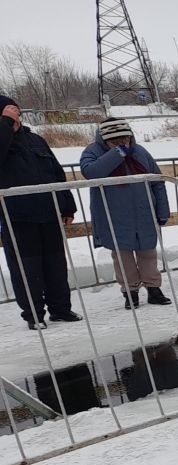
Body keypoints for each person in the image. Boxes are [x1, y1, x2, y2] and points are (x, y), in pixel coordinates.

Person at [0, 94, 80, 329]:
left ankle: (61, 309)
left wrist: (66, 204)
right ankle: (34, 315)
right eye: (9, 112)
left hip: (48, 212)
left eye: (15, 112)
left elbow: (55, 173)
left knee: (55, 264)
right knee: (27, 268)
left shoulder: (35, 140)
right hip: (17, 217)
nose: (16, 116)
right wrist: (4, 125)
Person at [79, 118, 171, 308]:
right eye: (115, 141)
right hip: (114, 215)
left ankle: (154, 288)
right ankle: (130, 292)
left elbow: (157, 181)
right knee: (122, 257)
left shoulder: (140, 152)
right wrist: (117, 154)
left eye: (125, 140)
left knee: (148, 253)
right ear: (104, 140)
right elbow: (90, 172)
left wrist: (162, 210)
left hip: (144, 213)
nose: (122, 144)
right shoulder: (92, 152)